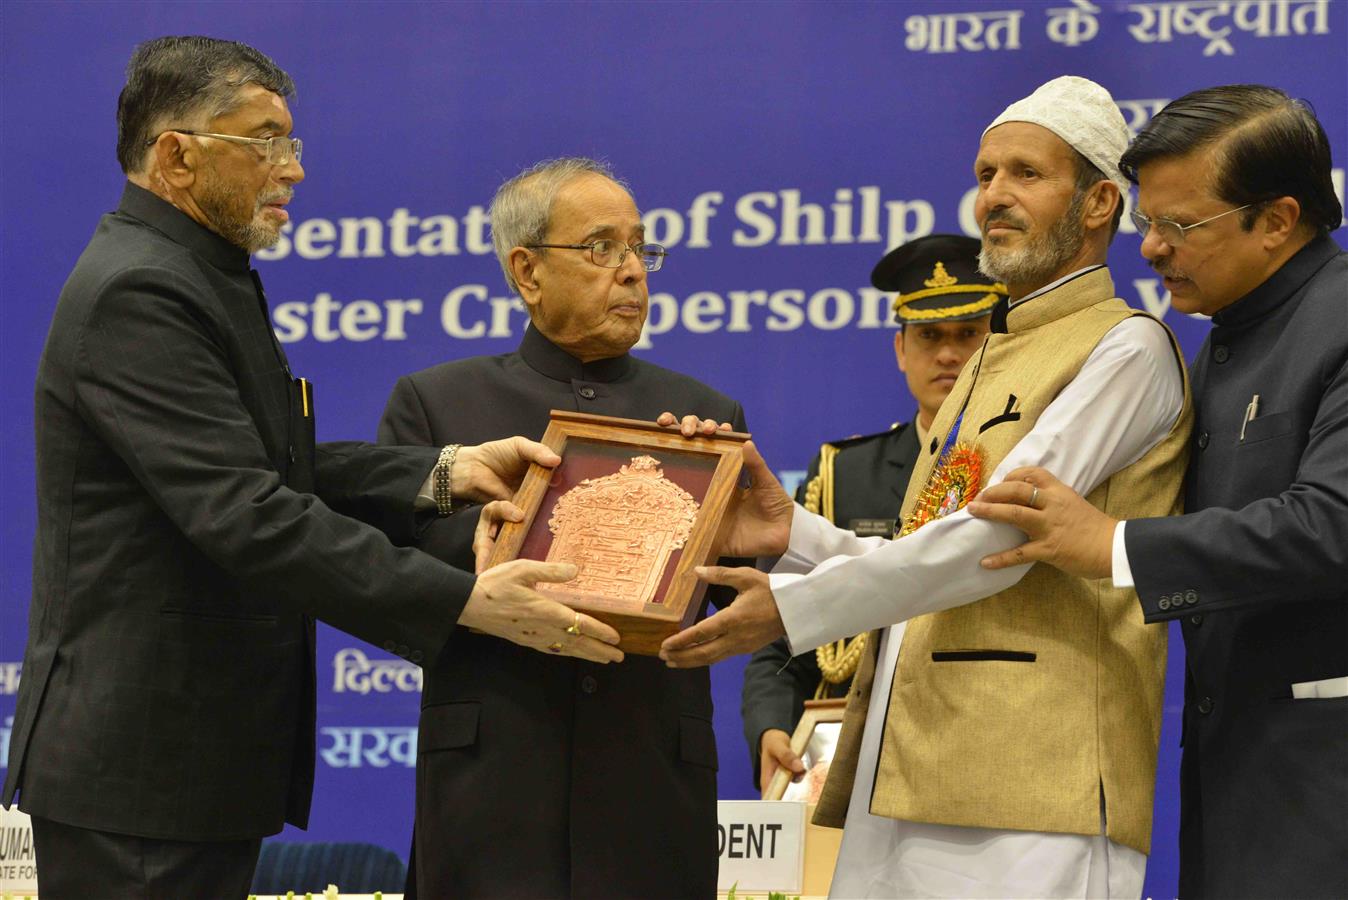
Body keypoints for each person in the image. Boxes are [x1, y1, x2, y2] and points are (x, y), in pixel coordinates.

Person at [2, 38, 618, 898]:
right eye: (267, 143)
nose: (291, 170)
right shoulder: (140, 291)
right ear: (178, 155)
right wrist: (468, 601)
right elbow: (247, 510)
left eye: (291, 144)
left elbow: (269, 461)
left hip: (186, 764)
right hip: (140, 769)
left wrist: (443, 471)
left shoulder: (198, 273)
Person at [661, 75, 1194, 898]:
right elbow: (928, 550)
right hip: (906, 762)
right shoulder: (990, 356)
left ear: (1099, 204)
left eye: (1025, 173)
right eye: (985, 176)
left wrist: (795, 606)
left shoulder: (1127, 349)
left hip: (1033, 784)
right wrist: (791, 536)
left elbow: (994, 545)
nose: (994, 198)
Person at [969, 84, 1347, 899]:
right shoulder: (1217, 347)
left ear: (1278, 219)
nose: (1150, 250)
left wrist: (1111, 544)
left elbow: (1333, 526)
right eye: (1149, 222)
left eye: (1180, 226)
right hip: (1235, 784)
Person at [379, 157, 745, 899]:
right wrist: (494, 544)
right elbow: (392, 580)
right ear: (527, 270)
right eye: (602, 248)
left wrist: (710, 514)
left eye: (642, 248)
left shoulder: (705, 419)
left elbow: (719, 602)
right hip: (495, 788)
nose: (634, 271)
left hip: (650, 786)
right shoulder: (436, 405)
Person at [741, 235, 1002, 794]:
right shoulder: (843, 474)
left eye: (967, 335)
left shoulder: (1022, 463)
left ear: (997, 343)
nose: (949, 355)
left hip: (985, 742)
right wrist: (772, 726)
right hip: (848, 756)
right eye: (929, 337)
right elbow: (782, 634)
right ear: (900, 350)